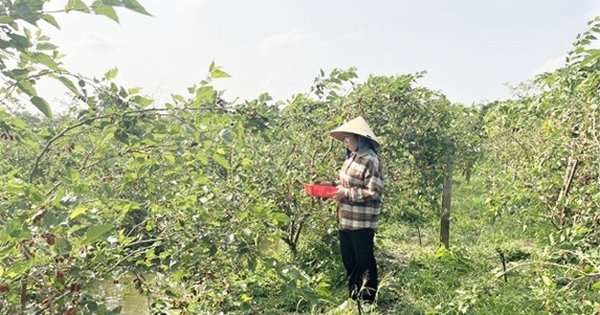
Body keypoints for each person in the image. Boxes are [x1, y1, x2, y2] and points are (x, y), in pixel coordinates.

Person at [322, 116, 384, 305]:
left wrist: (347, 193)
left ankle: (367, 301)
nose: (345, 142)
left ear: (360, 138)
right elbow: (345, 184)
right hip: (346, 219)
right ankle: (353, 298)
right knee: (349, 261)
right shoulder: (352, 157)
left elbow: (374, 192)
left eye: (348, 138)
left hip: (362, 222)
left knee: (364, 261)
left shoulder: (371, 161)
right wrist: (330, 186)